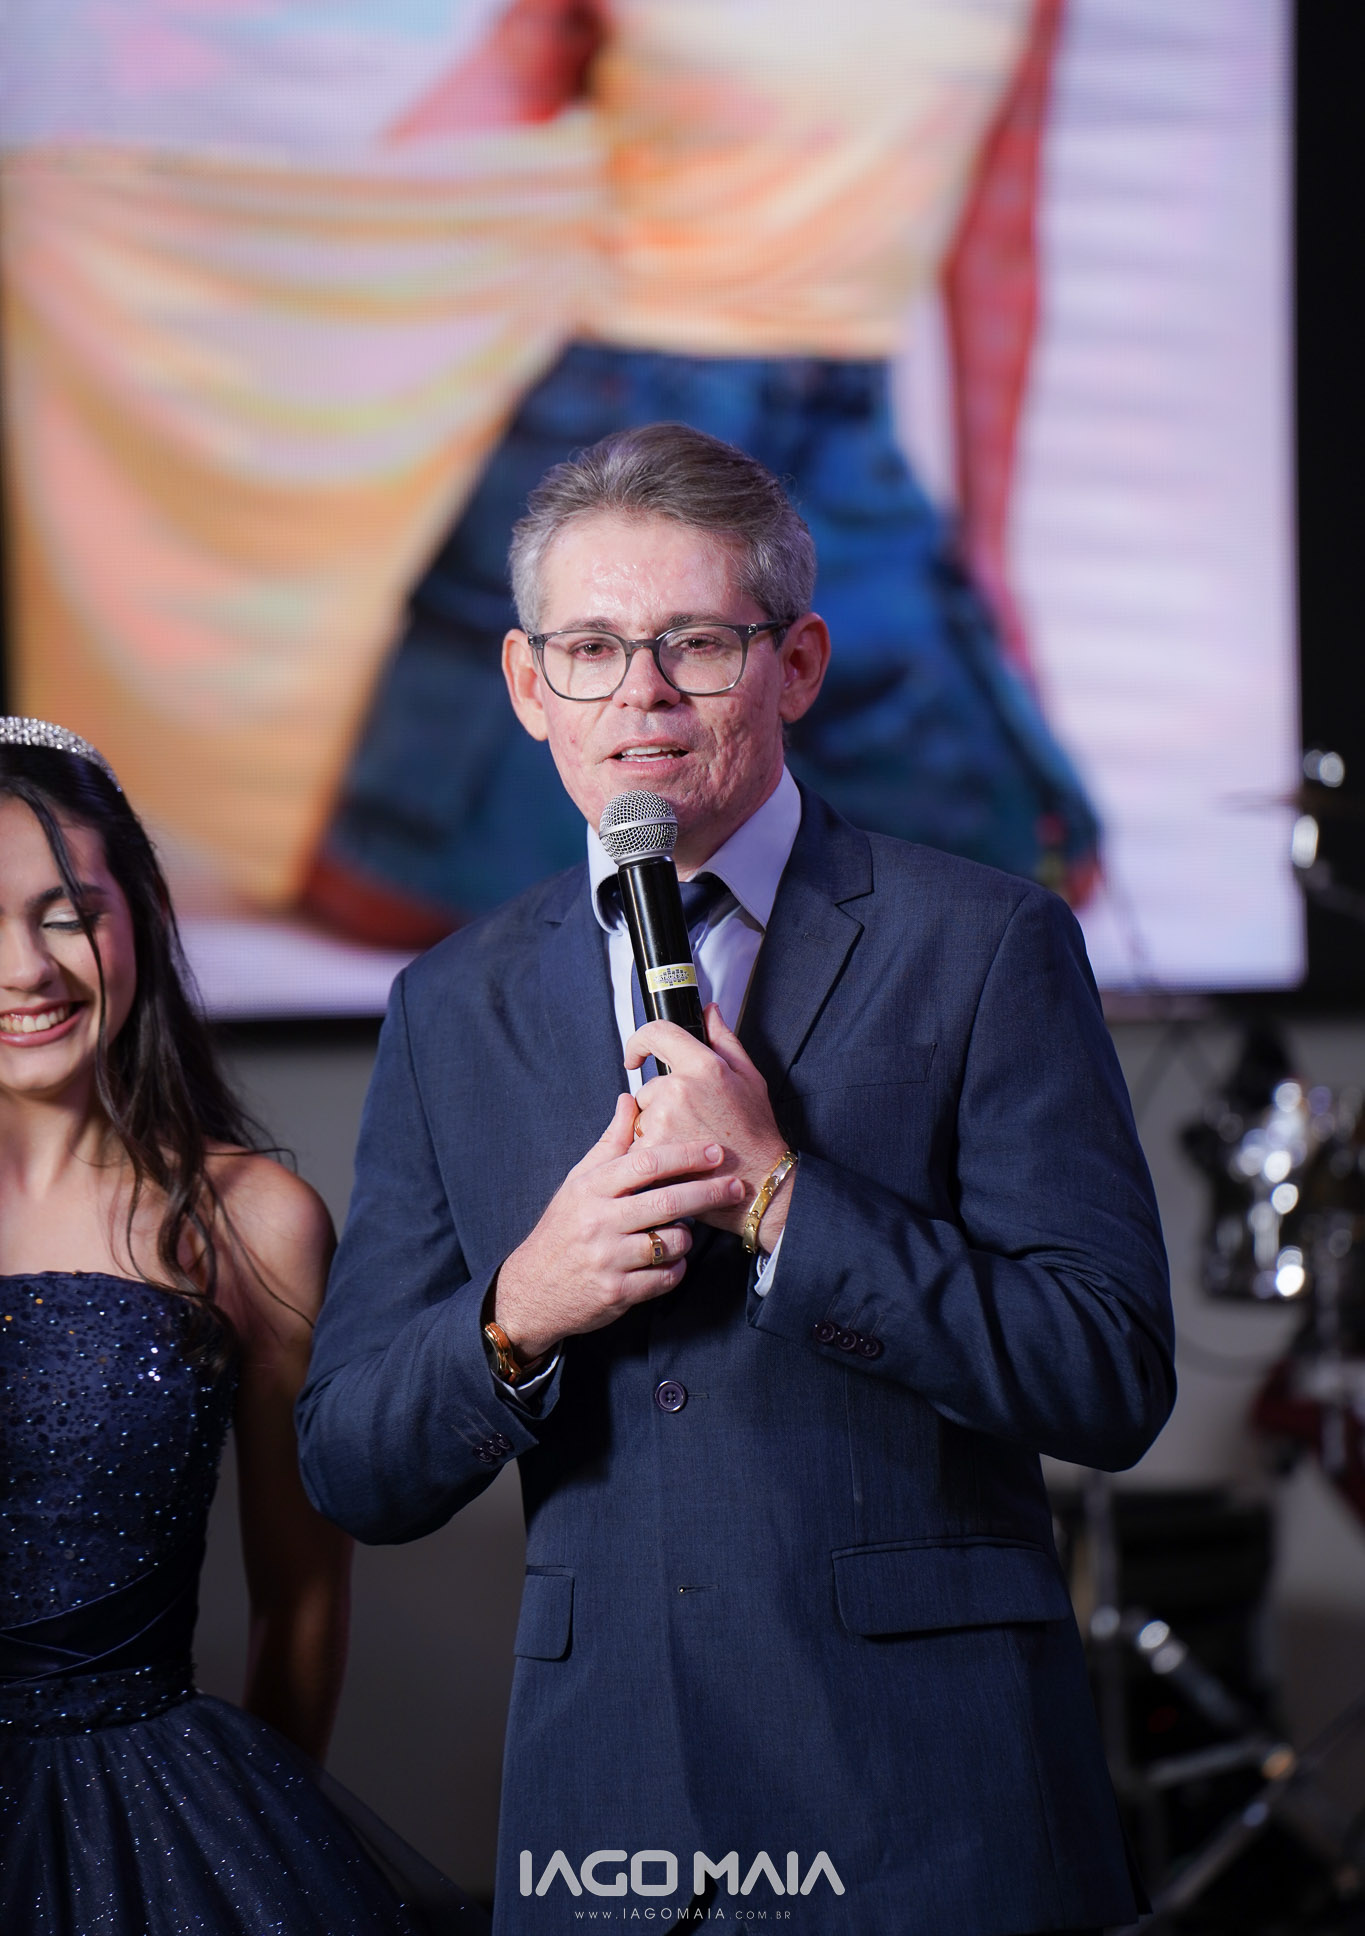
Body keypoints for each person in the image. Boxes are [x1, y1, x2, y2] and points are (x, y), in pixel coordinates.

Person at [297, 425, 1175, 1934]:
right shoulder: (451, 1002)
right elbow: (352, 1468)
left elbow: (1107, 1374)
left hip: (928, 1811)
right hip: (610, 1816)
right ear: (526, 685)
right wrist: (518, 1310)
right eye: (589, 649)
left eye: (695, 643)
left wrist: (783, 1200)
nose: (639, 693)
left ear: (798, 663)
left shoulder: (983, 942)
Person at [304, 0, 1101, 947]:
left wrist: (988, 551)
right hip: (613, 420)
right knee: (431, 892)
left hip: (834, 432)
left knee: (999, 869)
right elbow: (434, 168)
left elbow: (995, 250)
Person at [0, 721, 485, 1936]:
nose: (27, 967)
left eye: (68, 914)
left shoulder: (254, 1222)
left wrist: (234, 1853)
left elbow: (303, 1598)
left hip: (149, 1811)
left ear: (140, 919)